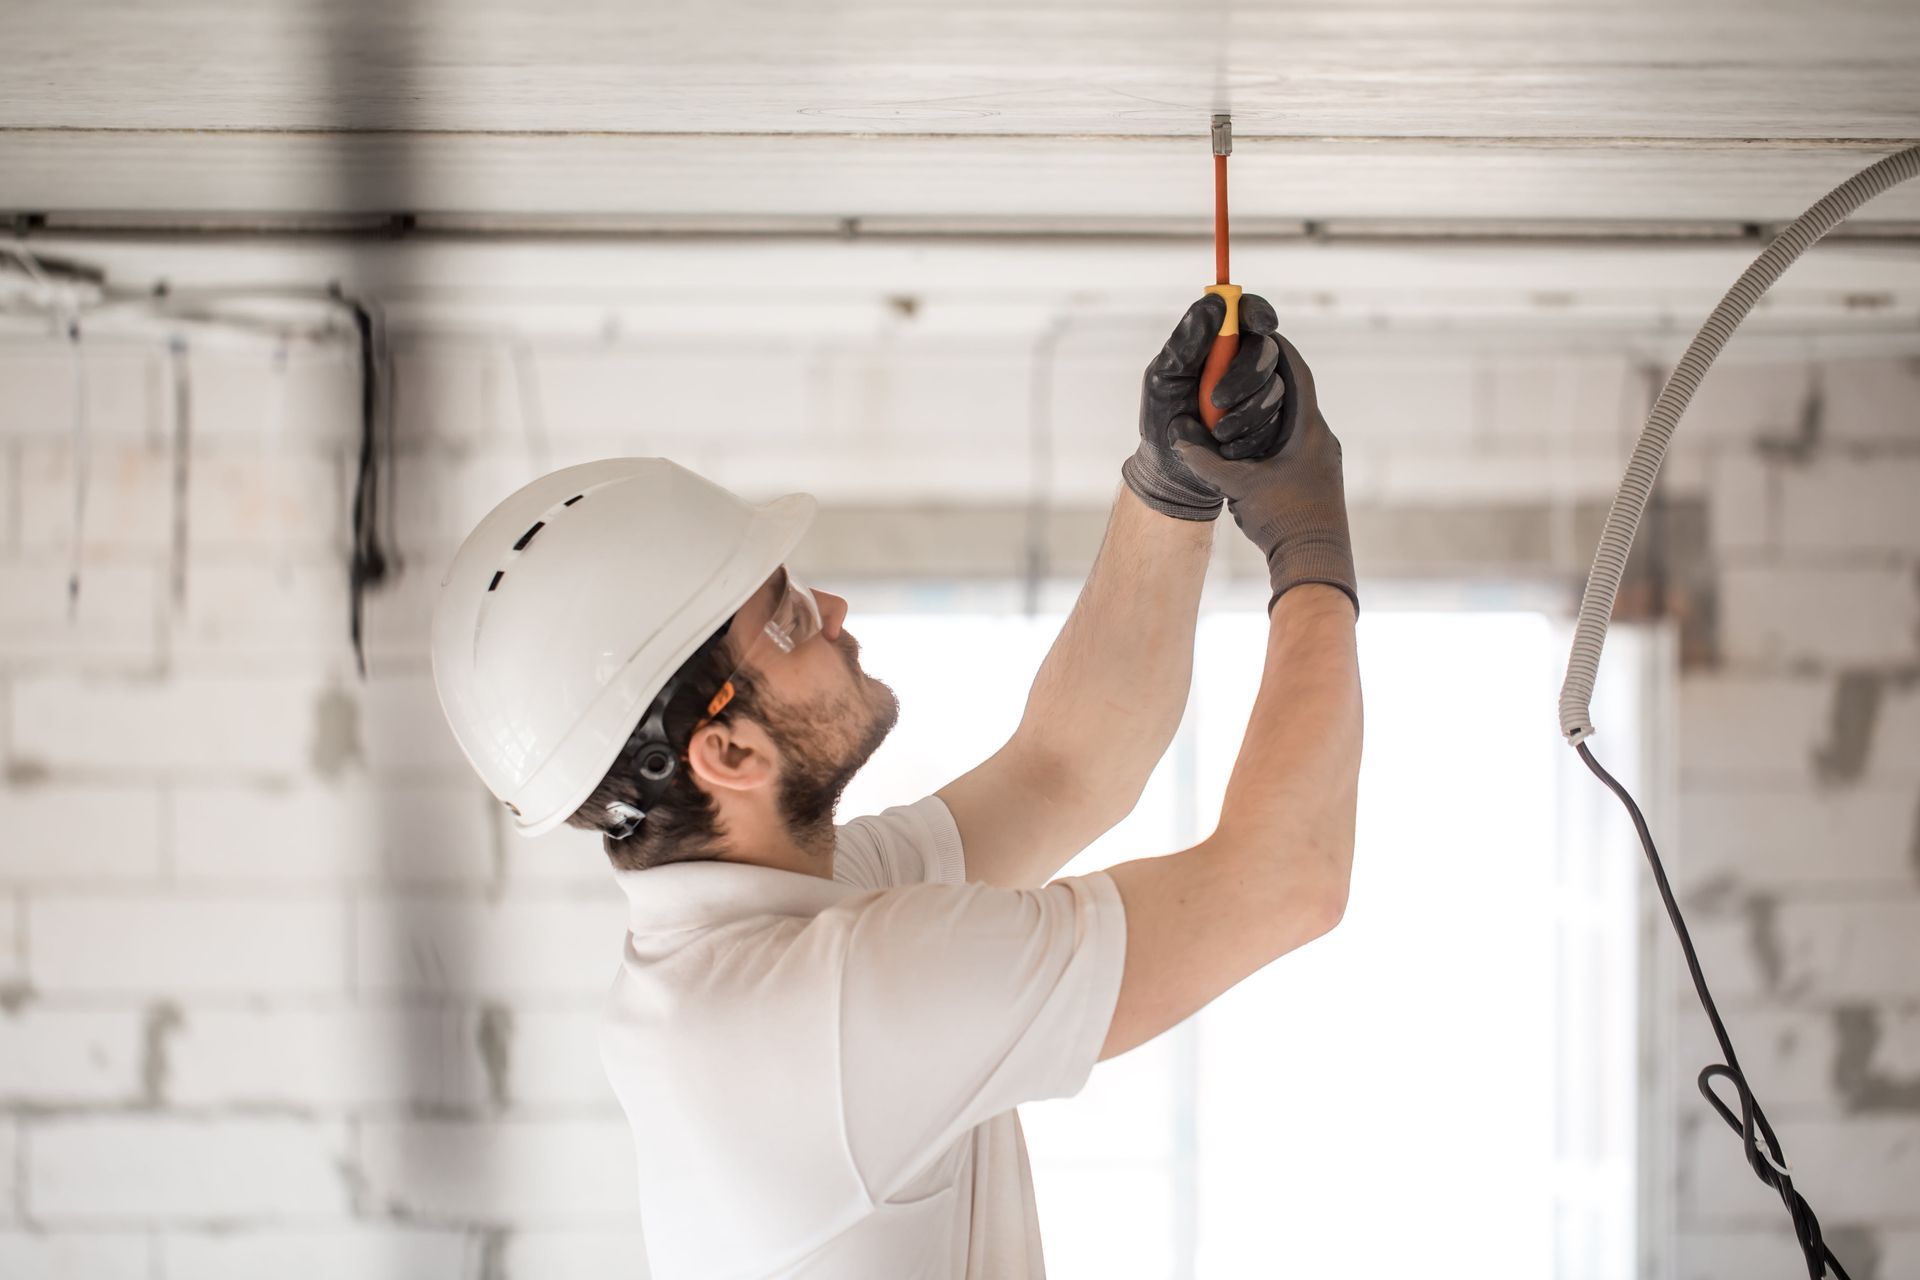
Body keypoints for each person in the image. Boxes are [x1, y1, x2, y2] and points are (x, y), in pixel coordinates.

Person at [429, 293, 1363, 1279]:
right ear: (729, 754)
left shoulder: (765, 936)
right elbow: (1286, 877)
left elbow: (1071, 765)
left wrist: (1169, 484)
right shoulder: (825, 1006)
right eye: (784, 615)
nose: (829, 606)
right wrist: (1312, 545)